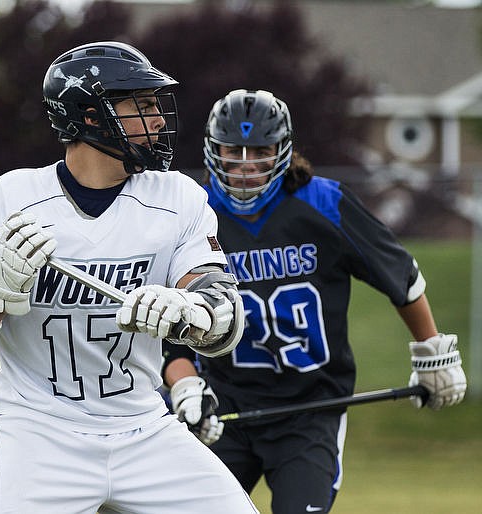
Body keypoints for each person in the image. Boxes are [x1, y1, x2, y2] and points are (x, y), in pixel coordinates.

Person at [0, 42, 259, 514]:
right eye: (142, 105)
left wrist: (191, 311)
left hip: (143, 427)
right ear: (91, 116)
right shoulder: (14, 196)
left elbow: (224, 314)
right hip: (36, 432)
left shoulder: (178, 198)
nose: (159, 119)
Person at [162, 89, 468, 513]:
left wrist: (433, 351)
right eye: (233, 150)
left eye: (261, 150)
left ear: (283, 151)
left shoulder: (324, 202)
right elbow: (173, 328)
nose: (246, 165)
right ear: (213, 150)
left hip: (310, 407)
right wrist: (186, 385)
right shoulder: (196, 212)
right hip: (228, 405)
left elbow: (403, 277)